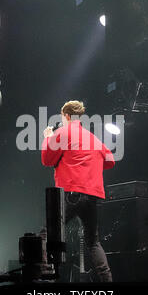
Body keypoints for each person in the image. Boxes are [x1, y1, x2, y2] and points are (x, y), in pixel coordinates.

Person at [41, 100, 115, 282]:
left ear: (66, 116)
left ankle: (45, 276)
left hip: (71, 194)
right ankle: (108, 282)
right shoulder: (92, 137)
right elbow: (110, 160)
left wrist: (48, 137)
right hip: (92, 197)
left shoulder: (62, 133)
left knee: (46, 234)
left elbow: (47, 159)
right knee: (93, 242)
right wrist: (90, 167)